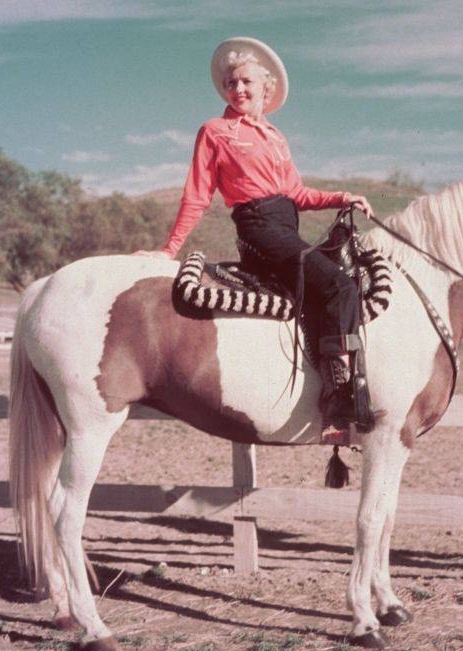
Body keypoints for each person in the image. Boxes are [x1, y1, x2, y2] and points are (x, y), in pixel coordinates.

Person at [133, 37, 374, 444]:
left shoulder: (276, 137)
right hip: (258, 229)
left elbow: (297, 194)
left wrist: (341, 197)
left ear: (267, 88)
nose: (237, 90)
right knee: (338, 284)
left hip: (286, 227)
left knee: (338, 278)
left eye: (245, 82)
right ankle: (338, 393)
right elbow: (197, 195)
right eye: (230, 83)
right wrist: (168, 249)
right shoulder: (215, 131)